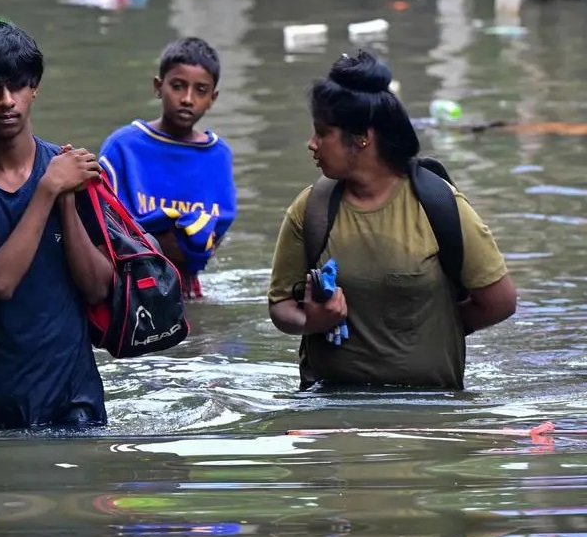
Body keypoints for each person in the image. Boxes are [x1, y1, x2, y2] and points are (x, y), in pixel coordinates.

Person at [266, 50, 517, 391]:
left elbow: (499, 302)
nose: (311, 144)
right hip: (331, 414)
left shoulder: (437, 205)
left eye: (322, 133)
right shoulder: (311, 209)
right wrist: (312, 320)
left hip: (430, 414)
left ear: (361, 137)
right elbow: (280, 305)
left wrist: (432, 327)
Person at [0, 19, 114, 431]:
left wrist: (65, 198)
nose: (6, 101)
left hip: (74, 397)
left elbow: (99, 287)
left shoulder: (73, 170)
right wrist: (47, 191)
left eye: (16, 86)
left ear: (35, 88)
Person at [98, 37, 237, 299]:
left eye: (200, 90)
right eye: (177, 86)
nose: (187, 99)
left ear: (212, 98)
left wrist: (195, 246)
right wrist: (159, 244)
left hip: (188, 284)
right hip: (130, 280)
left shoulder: (218, 155)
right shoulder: (123, 147)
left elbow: (218, 226)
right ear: (158, 86)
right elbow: (103, 220)